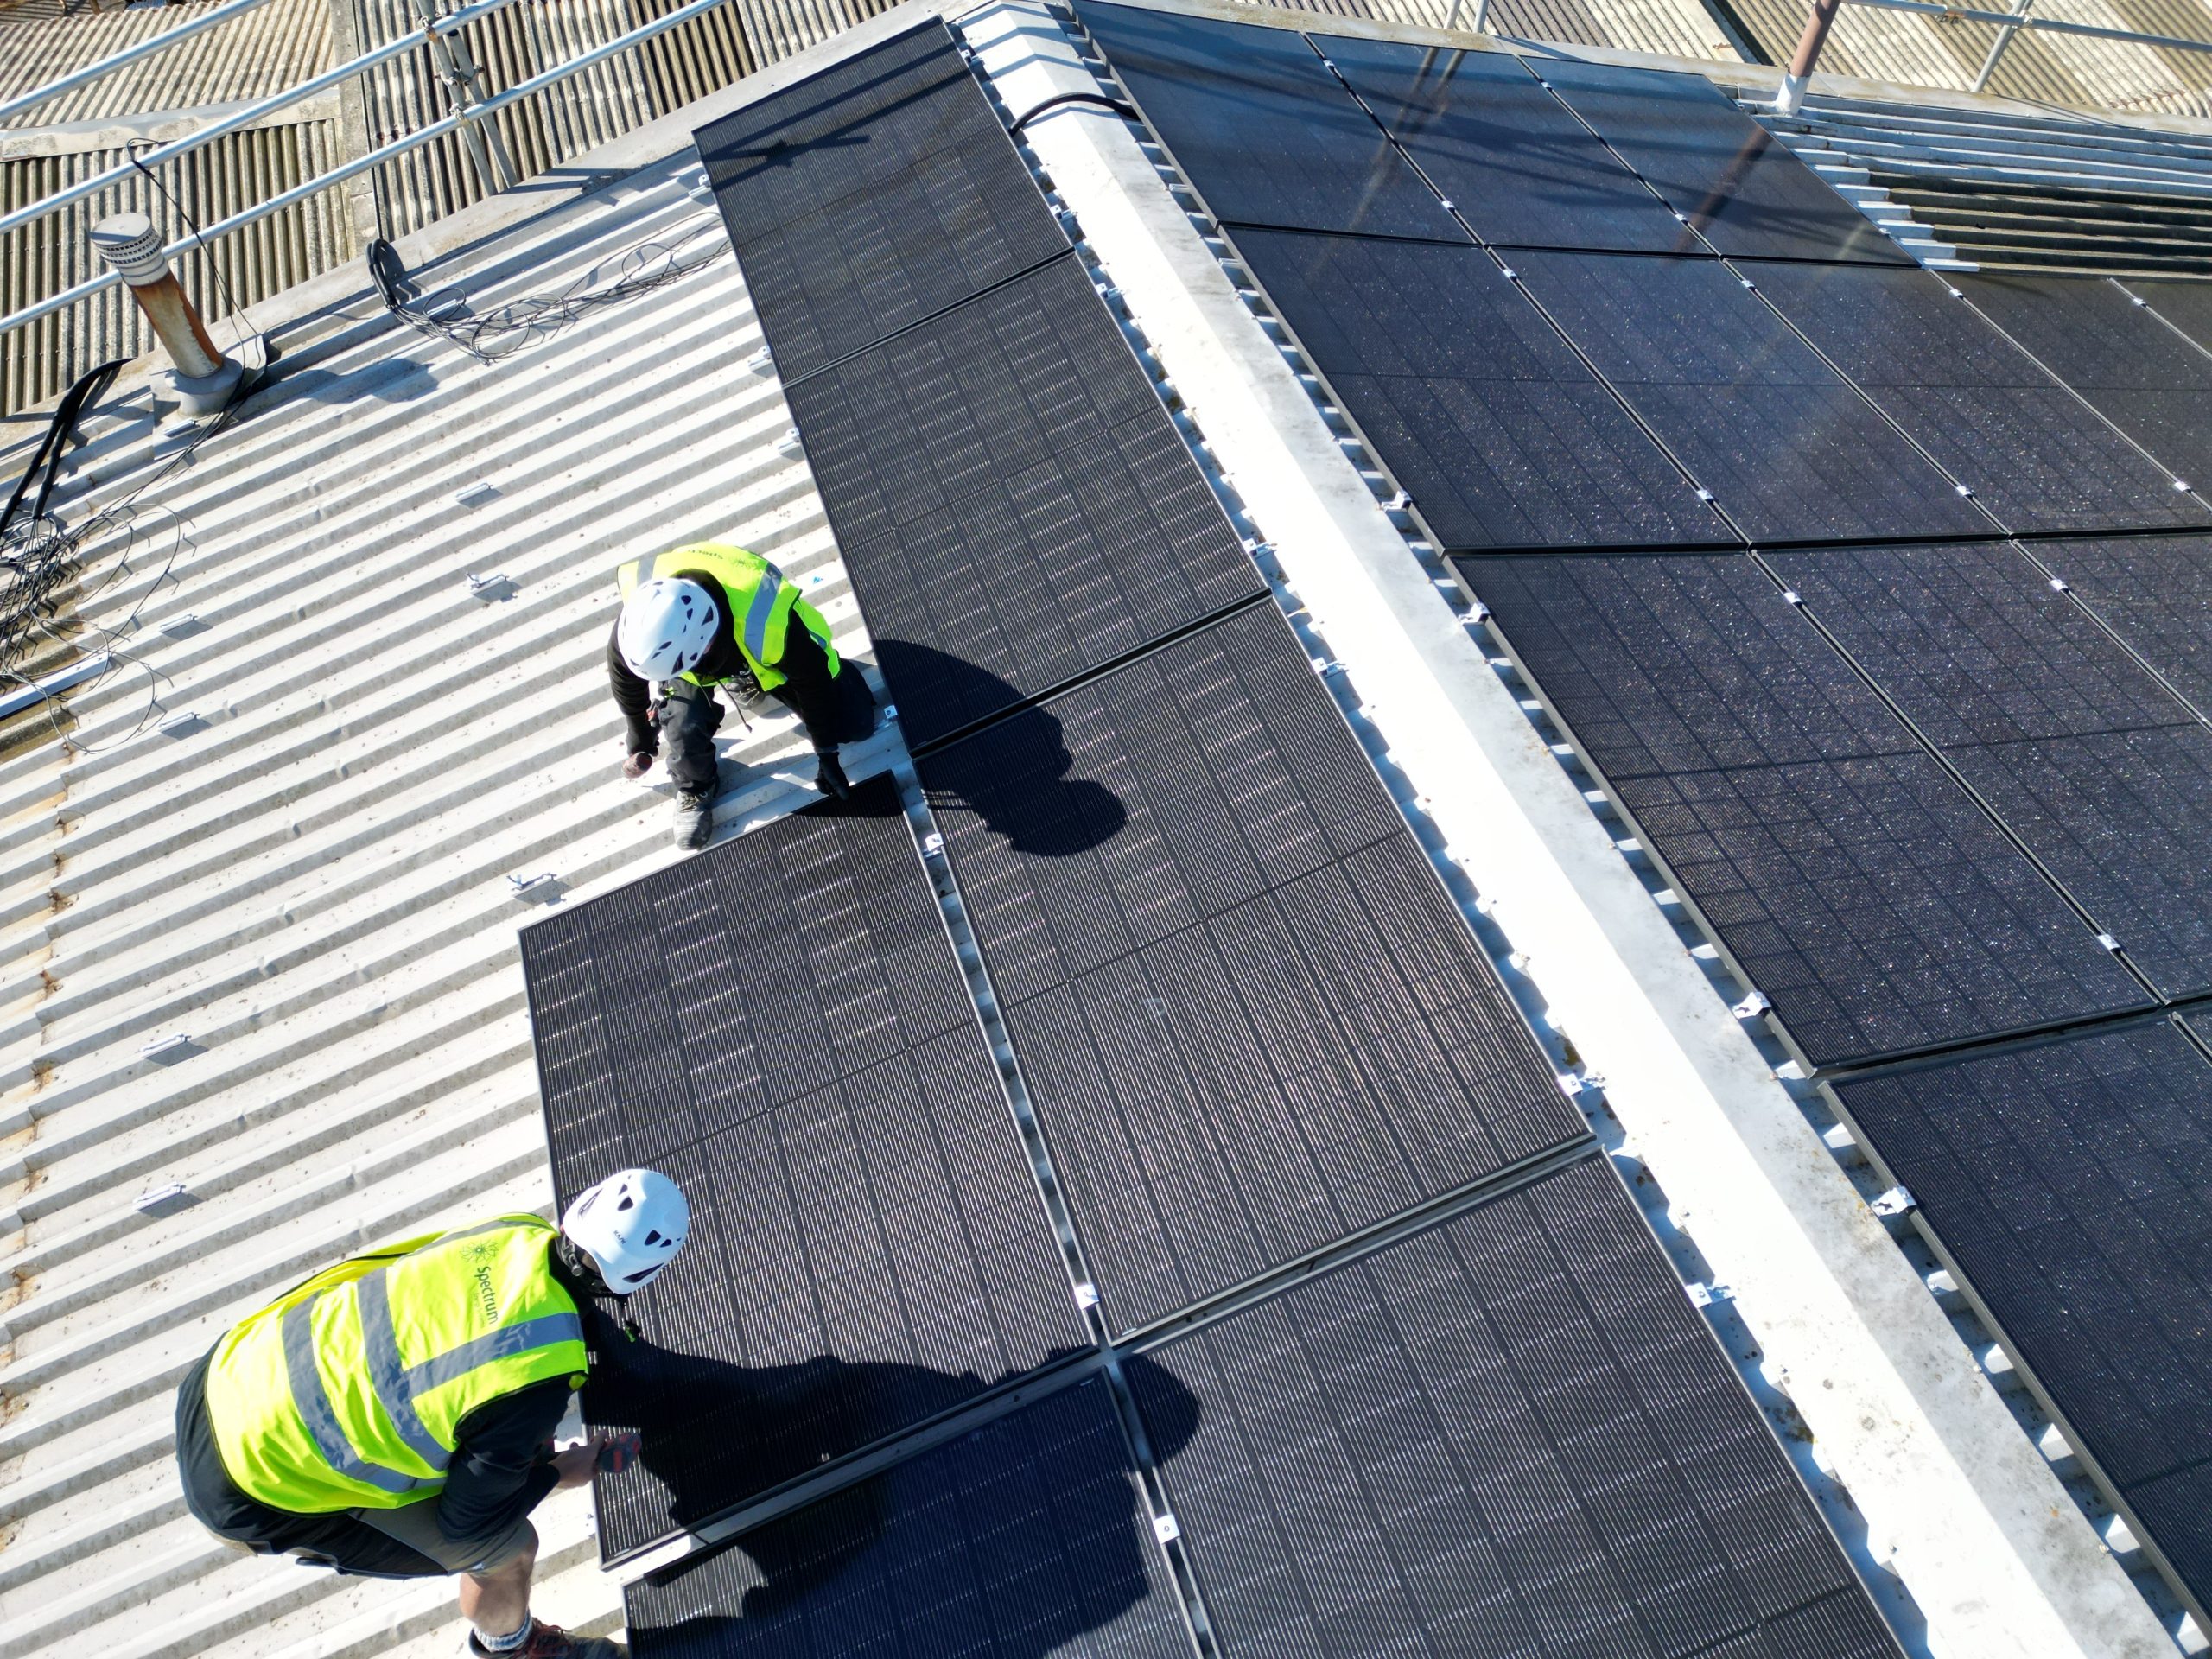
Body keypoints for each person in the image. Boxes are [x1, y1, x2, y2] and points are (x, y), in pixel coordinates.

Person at [175, 1171, 691, 1659]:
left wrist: (521, 1450)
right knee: (506, 1547)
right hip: (249, 1486)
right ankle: (511, 1647)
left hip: (226, 1373)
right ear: (642, 1276)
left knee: (484, 1438)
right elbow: (466, 1524)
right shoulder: (533, 1384)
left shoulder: (512, 1232)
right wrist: (555, 1474)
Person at [609, 545, 877, 850]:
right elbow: (625, 681)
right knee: (685, 726)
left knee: (855, 725)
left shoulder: (766, 623)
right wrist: (640, 736)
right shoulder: (641, 623)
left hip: (783, 653)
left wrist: (826, 753)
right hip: (698, 652)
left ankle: (747, 673)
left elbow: (812, 679)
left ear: (705, 643)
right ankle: (695, 788)